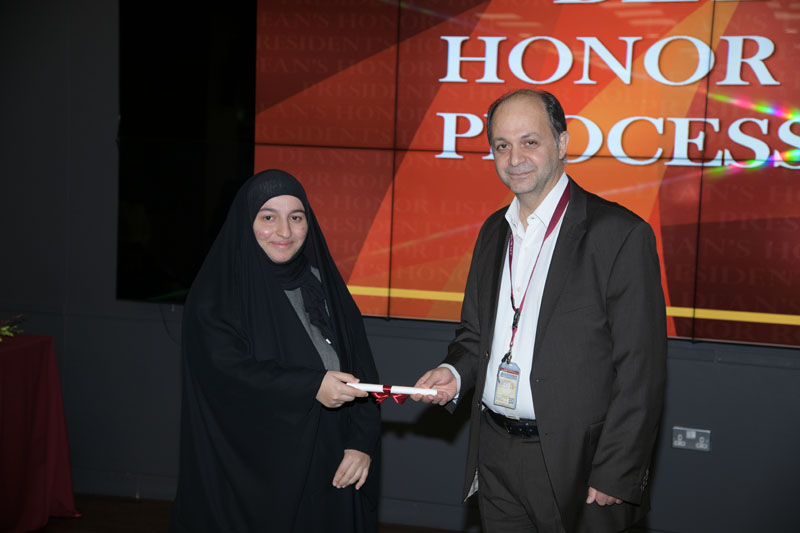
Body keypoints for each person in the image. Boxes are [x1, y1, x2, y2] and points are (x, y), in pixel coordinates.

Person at [412, 89, 666, 533]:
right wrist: (453, 374)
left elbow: (640, 370)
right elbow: (475, 336)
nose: (515, 159)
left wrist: (617, 471)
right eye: (502, 145)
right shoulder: (493, 231)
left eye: (530, 142)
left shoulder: (619, 234)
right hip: (494, 453)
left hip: (576, 463)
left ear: (562, 143)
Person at [170, 169, 381, 532]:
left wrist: (361, 444)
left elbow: (364, 373)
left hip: (331, 471)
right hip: (249, 479)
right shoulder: (216, 297)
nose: (284, 231)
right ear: (246, 222)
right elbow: (227, 375)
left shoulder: (325, 287)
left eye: (296, 218)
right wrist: (311, 385)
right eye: (268, 217)